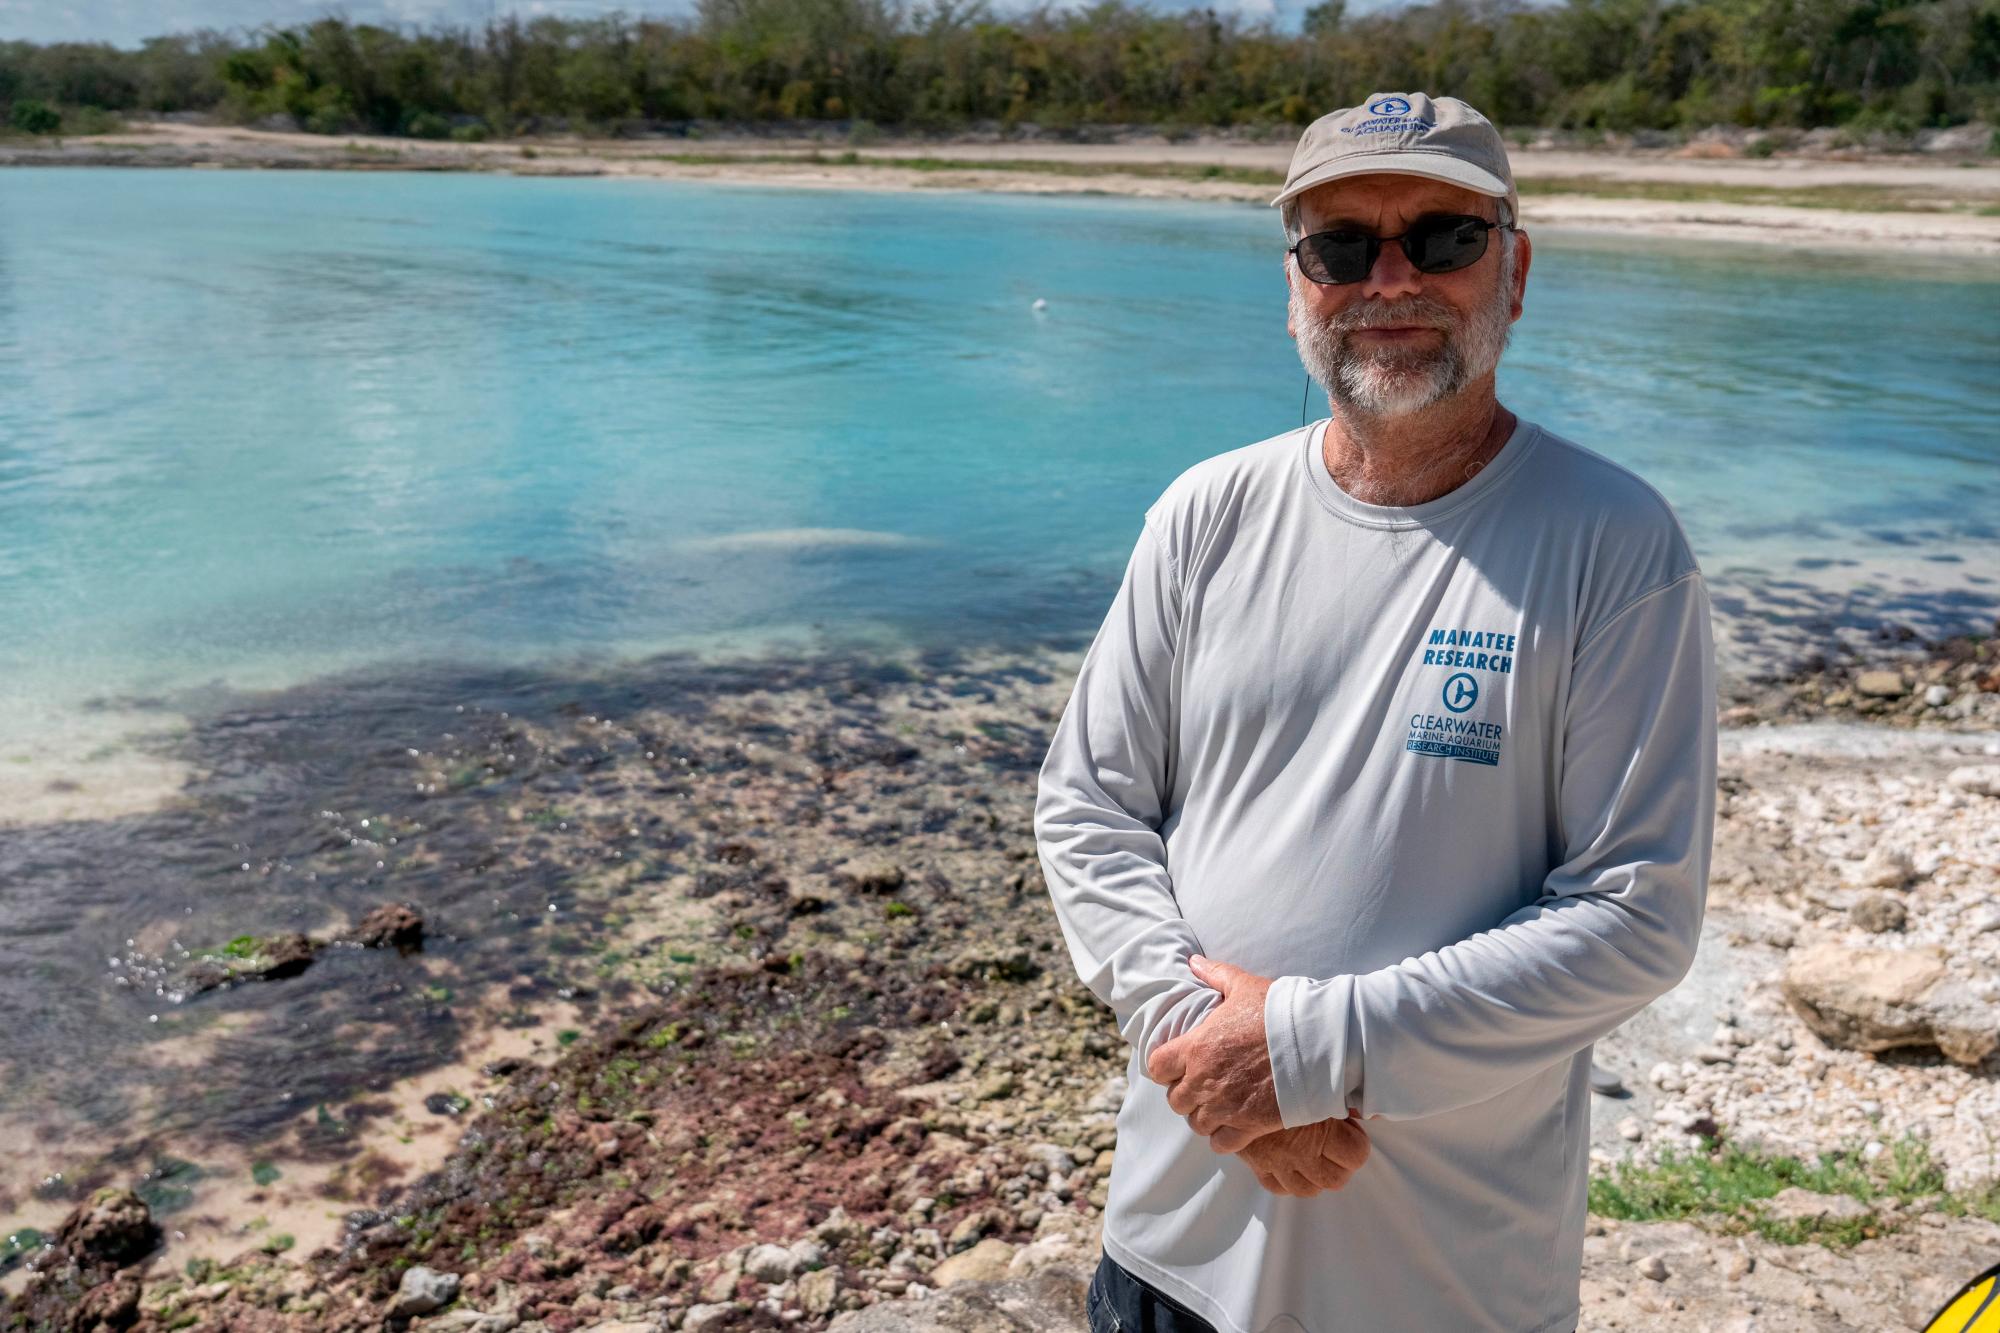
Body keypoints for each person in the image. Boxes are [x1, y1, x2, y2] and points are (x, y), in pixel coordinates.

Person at [1034, 90, 1717, 1333]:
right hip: (1172, 1241)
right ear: (1295, 281)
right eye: (1339, 246)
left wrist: (1305, 1051)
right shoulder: (1206, 511)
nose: (1387, 279)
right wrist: (1216, 1046)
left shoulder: (1613, 543)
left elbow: (1632, 916)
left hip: (1442, 1281)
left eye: (1441, 238)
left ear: (1513, 265)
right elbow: (1090, 804)